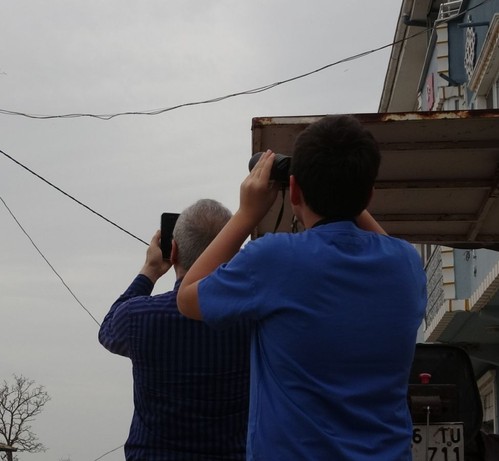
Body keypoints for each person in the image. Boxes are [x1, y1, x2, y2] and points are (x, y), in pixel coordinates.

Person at [177, 115, 427, 460]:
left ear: (294, 190)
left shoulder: (275, 259)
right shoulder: (406, 265)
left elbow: (187, 297)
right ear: (369, 194)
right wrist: (347, 196)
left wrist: (247, 213)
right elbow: (372, 230)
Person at [99, 199, 251, 461]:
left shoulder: (139, 317)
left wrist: (149, 271)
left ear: (174, 250)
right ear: (233, 252)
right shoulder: (252, 322)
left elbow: (107, 330)